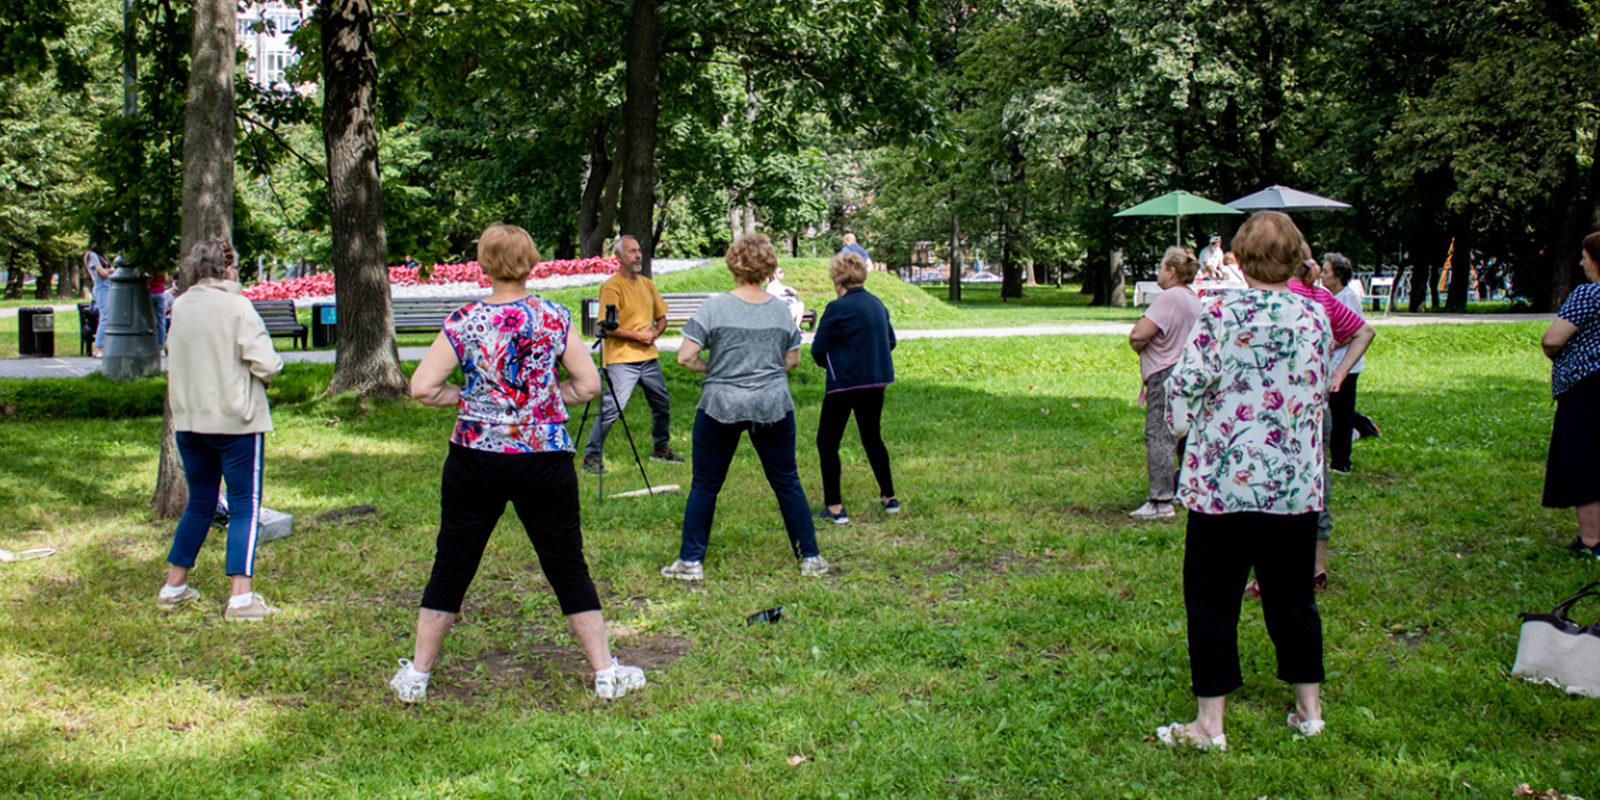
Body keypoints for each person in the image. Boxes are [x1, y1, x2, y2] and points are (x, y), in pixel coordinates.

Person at [394, 223, 646, 702]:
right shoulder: (553, 317)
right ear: (532, 262)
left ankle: (418, 676)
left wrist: (468, 397)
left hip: (475, 457)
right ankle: (605, 671)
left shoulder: (464, 320)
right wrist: (549, 400)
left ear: (484, 264)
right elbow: (589, 385)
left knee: (452, 561)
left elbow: (422, 388)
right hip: (543, 457)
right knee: (567, 563)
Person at [1157, 210, 1331, 752]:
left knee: (1211, 599)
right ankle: (1309, 708)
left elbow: (1183, 385)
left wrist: (1182, 426)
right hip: (1291, 486)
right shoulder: (1315, 318)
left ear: (1241, 255)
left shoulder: (1221, 315)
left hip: (1222, 485)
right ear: (1296, 254)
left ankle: (1210, 723)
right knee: (1293, 597)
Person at [660, 234, 829, 581]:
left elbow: (685, 357)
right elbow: (792, 360)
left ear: (733, 264)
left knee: (706, 484)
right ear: (768, 268)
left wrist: (717, 368)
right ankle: (810, 557)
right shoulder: (782, 312)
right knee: (786, 481)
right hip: (772, 403)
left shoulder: (714, 307)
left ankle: (691, 562)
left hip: (721, 401)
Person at [156, 239, 284, 621]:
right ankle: (241, 598)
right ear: (230, 269)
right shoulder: (237, 306)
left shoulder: (181, 305)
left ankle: (174, 586)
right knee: (244, 505)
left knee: (201, 502)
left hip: (191, 420)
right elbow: (268, 364)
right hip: (236, 423)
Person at [1288, 246, 1375, 588]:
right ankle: (1316, 570)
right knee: (1316, 481)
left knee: (1278, 488)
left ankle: (1273, 573)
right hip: (1317, 404)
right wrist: (1338, 372)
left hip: (1280, 407)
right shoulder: (1320, 296)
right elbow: (1364, 332)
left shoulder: (1282, 295)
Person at [582, 235, 682, 474]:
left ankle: (660, 449)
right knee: (611, 410)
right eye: (632, 251)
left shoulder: (647, 284)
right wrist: (638, 336)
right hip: (621, 361)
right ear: (618, 257)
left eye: (639, 250)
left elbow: (662, 318)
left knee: (662, 404)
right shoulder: (612, 286)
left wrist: (654, 334)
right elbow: (608, 326)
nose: (638, 255)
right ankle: (591, 459)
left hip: (649, 359)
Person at [811, 251, 898, 525]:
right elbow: (890, 341)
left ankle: (835, 508)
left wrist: (836, 364)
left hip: (844, 384)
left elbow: (818, 349)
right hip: (876, 380)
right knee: (872, 437)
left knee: (827, 442)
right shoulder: (877, 304)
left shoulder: (836, 308)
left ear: (837, 279)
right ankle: (889, 498)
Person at [1127, 247, 1202, 520]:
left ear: (1171, 271)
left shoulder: (1169, 297)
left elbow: (1139, 333)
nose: (1158, 272)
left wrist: (1136, 345)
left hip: (1165, 373)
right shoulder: (1193, 298)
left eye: (1161, 267)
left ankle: (1160, 501)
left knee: (1159, 434)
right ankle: (1187, 489)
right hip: (1188, 373)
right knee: (1185, 433)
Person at [1540, 231, 1600, 559]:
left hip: (1587, 388)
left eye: (1585, 257)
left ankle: (1592, 541)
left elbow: (1552, 339)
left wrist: (1561, 360)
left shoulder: (1588, 295)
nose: (1581, 262)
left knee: (1585, 460)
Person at [1320, 253, 1370, 472]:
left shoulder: (1346, 297)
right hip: (1336, 365)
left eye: (1326, 272)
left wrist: (1330, 343)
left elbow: (1353, 332)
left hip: (1346, 367)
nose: (1321, 276)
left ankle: (1341, 462)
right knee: (1336, 411)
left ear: (1339, 275)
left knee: (1341, 415)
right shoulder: (1335, 296)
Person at [86, 248, 113, 357]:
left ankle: (107, 345)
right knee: (105, 316)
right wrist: (109, 271)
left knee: (110, 316)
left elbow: (112, 270)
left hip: (109, 286)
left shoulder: (102, 256)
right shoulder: (91, 255)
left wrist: (108, 271)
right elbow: (102, 274)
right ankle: (99, 347)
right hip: (102, 287)